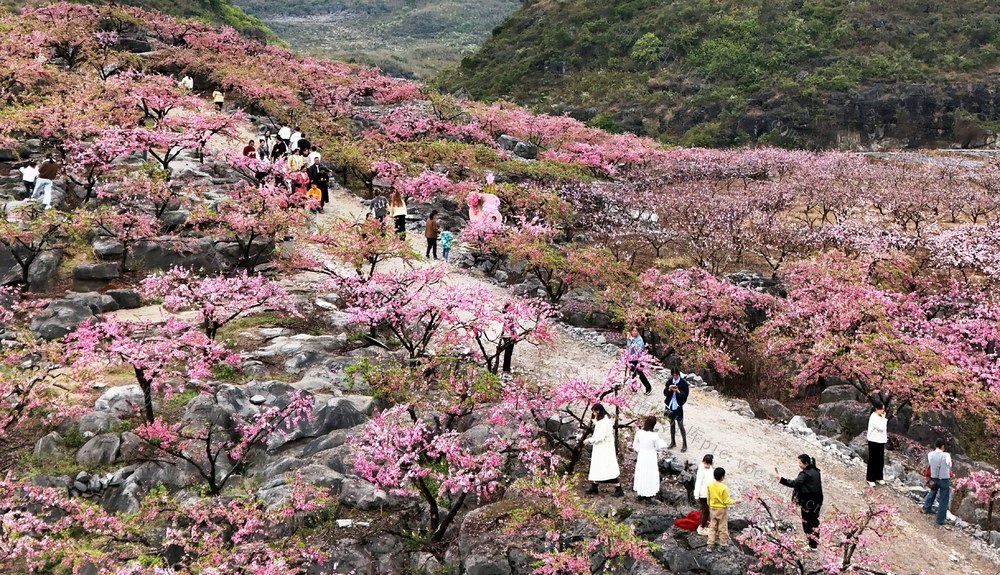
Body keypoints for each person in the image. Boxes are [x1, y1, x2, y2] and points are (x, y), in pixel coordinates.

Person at [776, 454, 824, 550]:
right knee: (814, 520)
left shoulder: (804, 474)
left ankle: (812, 544)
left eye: (800, 463)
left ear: (805, 463)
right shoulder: (816, 471)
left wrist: (781, 479)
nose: (799, 465)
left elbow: (794, 483)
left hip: (808, 502)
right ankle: (815, 540)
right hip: (817, 500)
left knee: (807, 522)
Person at [583, 403, 623, 497]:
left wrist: (589, 440)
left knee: (606, 468)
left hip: (604, 448)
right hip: (603, 447)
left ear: (598, 411)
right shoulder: (605, 419)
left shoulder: (604, 422)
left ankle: (618, 487)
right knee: (599, 467)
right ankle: (594, 486)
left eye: (594, 412)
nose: (593, 414)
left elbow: (600, 436)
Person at [632, 415, 667, 502]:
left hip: (642, 454)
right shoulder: (654, 436)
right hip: (650, 455)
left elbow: (634, 445)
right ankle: (648, 496)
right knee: (650, 474)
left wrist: (640, 450)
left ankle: (640, 493)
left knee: (641, 473)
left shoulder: (639, 433)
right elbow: (658, 447)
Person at [706, 467, 739, 550]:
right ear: (722, 477)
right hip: (721, 510)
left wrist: (710, 505)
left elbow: (708, 497)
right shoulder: (723, 487)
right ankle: (722, 544)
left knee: (712, 526)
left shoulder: (710, 485)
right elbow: (726, 500)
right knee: (722, 526)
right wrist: (735, 501)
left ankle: (710, 544)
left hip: (712, 508)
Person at [923, 438, 953, 526]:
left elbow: (930, 463)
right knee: (944, 498)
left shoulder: (930, 454)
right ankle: (940, 519)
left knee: (933, 491)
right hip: (944, 479)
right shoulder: (946, 455)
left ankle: (926, 508)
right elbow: (949, 465)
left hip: (933, 477)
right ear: (942, 446)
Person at [664, 368, 689, 452]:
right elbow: (665, 393)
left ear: (679, 374)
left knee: (680, 424)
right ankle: (673, 441)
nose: (675, 377)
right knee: (671, 423)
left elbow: (685, 396)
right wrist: (669, 389)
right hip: (670, 405)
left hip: (677, 406)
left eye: (676, 375)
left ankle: (684, 444)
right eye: (673, 375)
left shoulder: (683, 383)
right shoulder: (670, 381)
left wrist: (678, 391)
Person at [866, 401, 888, 487]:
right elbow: (881, 428)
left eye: (883, 409)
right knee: (872, 460)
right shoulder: (873, 417)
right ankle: (870, 478)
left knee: (880, 460)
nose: (883, 411)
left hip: (881, 441)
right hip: (873, 440)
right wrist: (884, 419)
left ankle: (879, 477)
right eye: (881, 409)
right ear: (876, 409)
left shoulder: (880, 416)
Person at [626, 327, 652, 395]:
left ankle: (648, 387)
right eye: (633, 331)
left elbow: (638, 348)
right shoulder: (630, 338)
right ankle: (634, 388)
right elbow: (628, 346)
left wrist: (631, 340)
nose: (634, 332)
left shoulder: (640, 339)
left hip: (638, 359)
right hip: (631, 358)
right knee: (632, 374)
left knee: (640, 374)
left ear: (638, 332)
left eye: (635, 331)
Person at [694, 454, 715, 535]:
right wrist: (696, 495)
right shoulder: (701, 470)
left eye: (708, 464)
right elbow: (698, 483)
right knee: (706, 511)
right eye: (706, 463)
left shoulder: (711, 470)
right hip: (702, 494)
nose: (707, 465)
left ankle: (704, 524)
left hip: (709, 494)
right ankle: (701, 527)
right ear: (703, 462)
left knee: (706, 510)